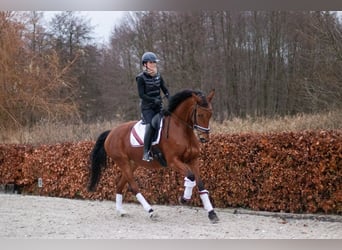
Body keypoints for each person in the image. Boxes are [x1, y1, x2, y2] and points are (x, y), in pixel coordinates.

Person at [136, 52, 170, 162]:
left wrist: (170, 98)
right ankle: (146, 152)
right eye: (151, 62)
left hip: (158, 106)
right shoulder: (140, 78)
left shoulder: (158, 75)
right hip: (147, 108)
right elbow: (141, 95)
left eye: (154, 62)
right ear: (145, 64)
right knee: (151, 125)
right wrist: (153, 100)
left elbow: (164, 89)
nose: (154, 64)